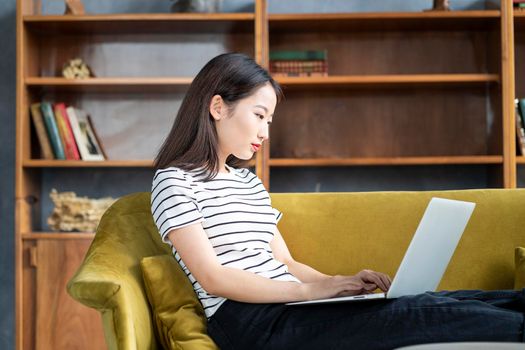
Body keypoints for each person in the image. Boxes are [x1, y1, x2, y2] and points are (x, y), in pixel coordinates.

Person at [151, 53, 524, 349]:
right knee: (417, 312)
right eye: (260, 116)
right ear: (218, 107)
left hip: (291, 309)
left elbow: (284, 261)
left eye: (270, 121)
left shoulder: (249, 182)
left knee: (458, 300)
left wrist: (339, 284)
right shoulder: (174, 181)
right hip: (251, 323)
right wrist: (308, 292)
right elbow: (213, 278)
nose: (265, 133)